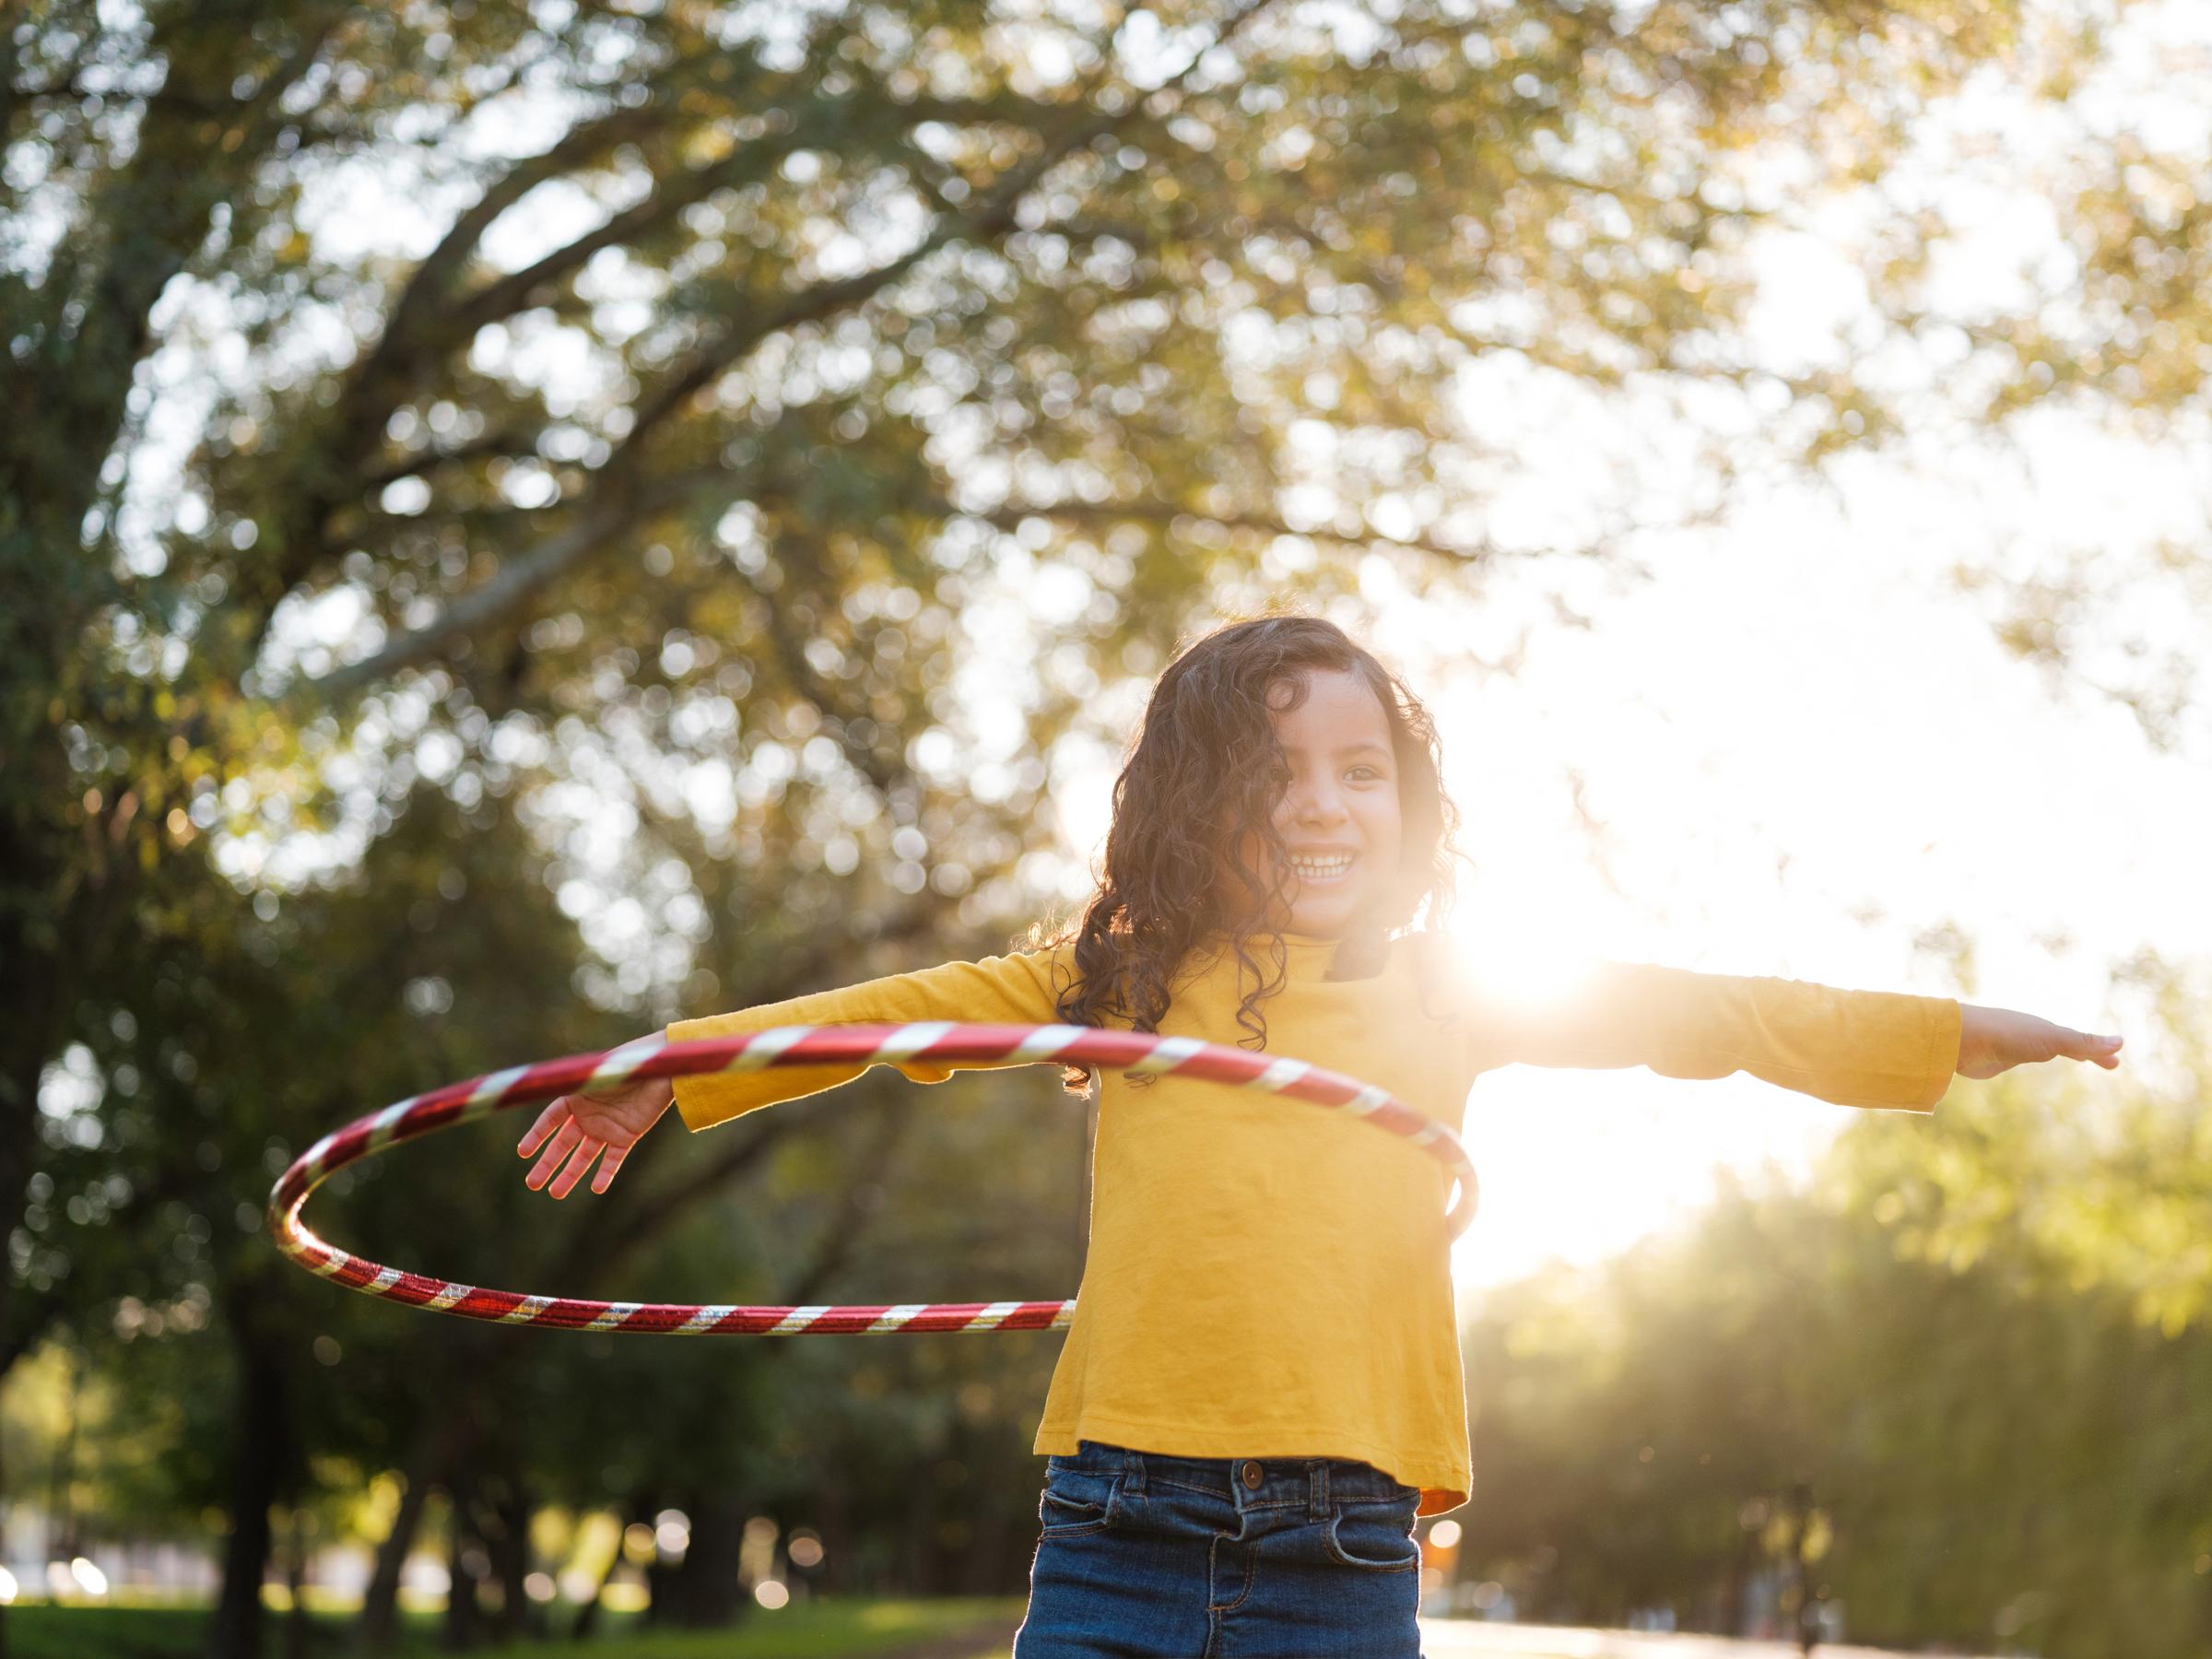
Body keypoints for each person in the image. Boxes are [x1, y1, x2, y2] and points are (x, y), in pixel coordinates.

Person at [513, 612, 2125, 1657]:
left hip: (1345, 1560)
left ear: (1408, 803)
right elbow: (891, 1020)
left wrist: (1942, 1033)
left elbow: (1705, 1014)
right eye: (1271, 773)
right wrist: (672, 1065)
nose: (1321, 805)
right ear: (1193, 804)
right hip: (1115, 1536)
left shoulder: (1461, 991)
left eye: (1362, 771)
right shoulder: (1115, 984)